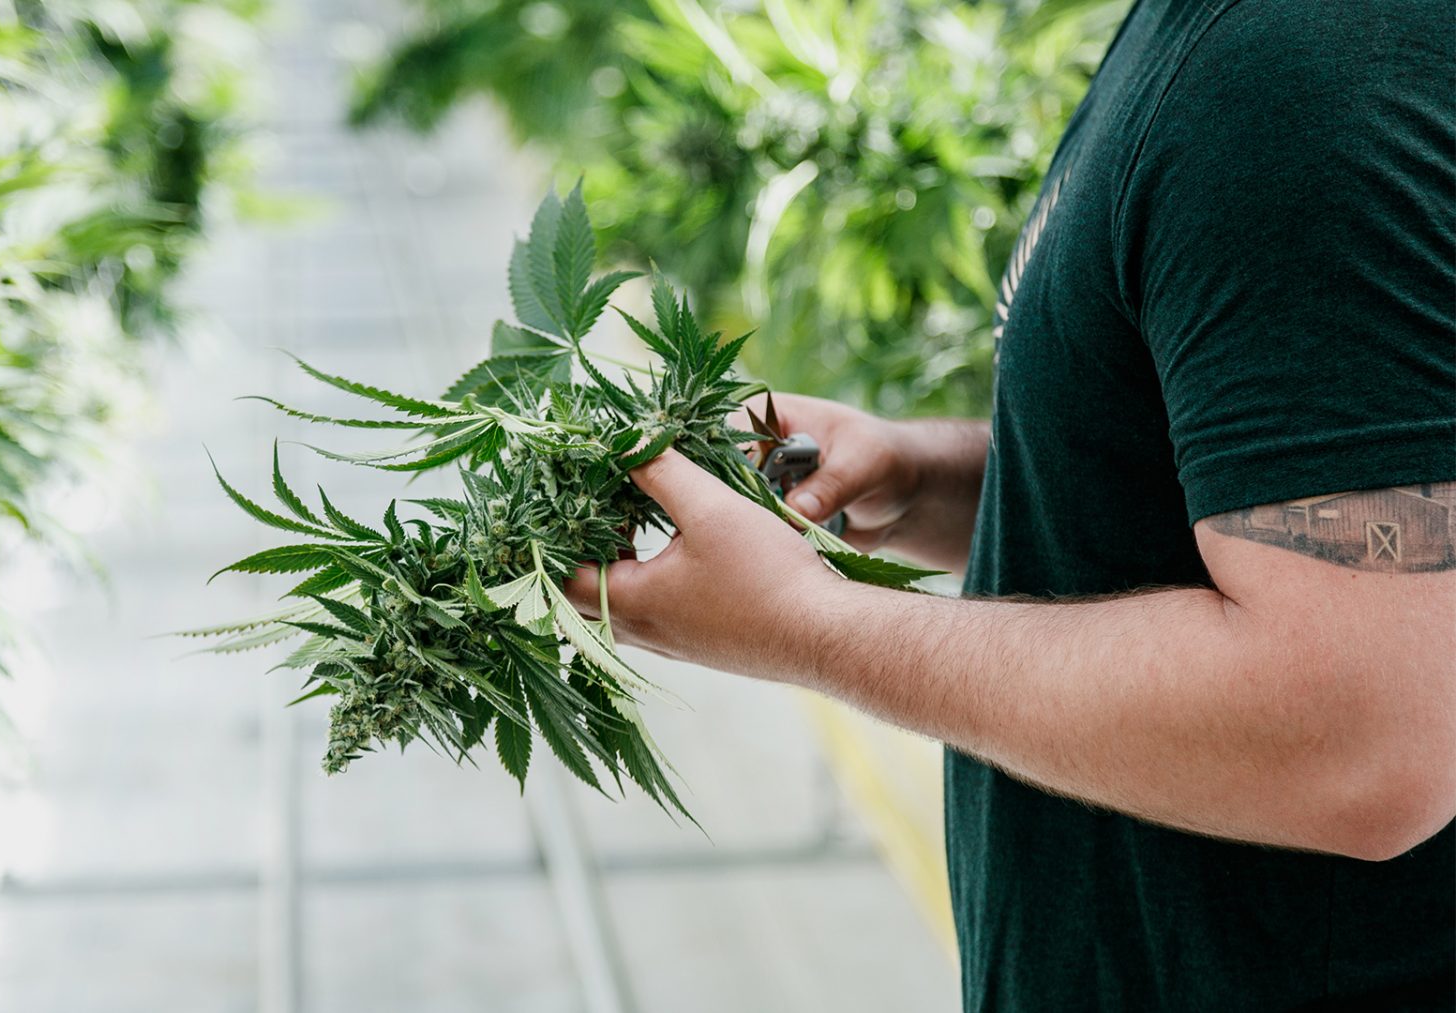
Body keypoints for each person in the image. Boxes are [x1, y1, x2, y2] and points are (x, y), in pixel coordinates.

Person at [565, 0, 1455, 1008]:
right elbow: (1253, 483)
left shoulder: (1310, 76)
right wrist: (925, 478)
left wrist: (813, 627)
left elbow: (1357, 732)